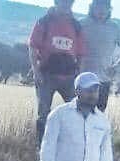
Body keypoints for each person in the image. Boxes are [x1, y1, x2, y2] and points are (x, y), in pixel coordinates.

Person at [29, 0, 85, 145]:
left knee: (76, 113)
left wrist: (78, 75)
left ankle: (71, 145)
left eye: (69, 2)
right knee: (43, 114)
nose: (66, 4)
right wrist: (36, 71)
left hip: (69, 78)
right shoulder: (44, 22)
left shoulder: (76, 26)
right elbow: (33, 47)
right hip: (46, 76)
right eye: (63, 1)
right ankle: (42, 147)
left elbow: (80, 54)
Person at [80, 0, 120, 112]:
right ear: (92, 7)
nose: (101, 10)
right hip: (82, 79)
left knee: (98, 116)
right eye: (99, 7)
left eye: (105, 8)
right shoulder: (81, 24)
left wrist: (117, 68)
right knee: (79, 115)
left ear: (109, 9)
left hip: (103, 80)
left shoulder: (114, 28)